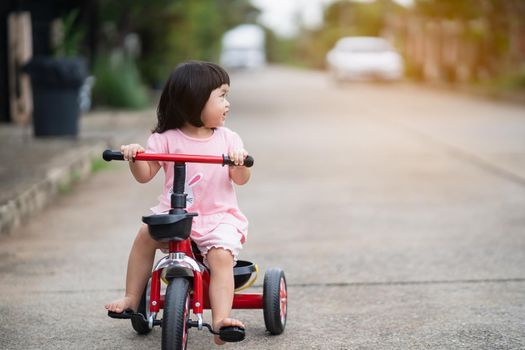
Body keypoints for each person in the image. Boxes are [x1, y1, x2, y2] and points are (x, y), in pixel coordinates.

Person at [105, 61, 251, 345]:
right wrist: (136, 158)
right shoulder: (165, 139)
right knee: (144, 235)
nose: (227, 103)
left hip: (218, 217)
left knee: (220, 257)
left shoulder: (228, 139)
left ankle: (220, 320)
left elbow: (241, 178)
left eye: (226, 95)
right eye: (221, 95)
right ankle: (132, 298)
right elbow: (145, 175)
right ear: (194, 101)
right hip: (174, 215)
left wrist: (240, 161)